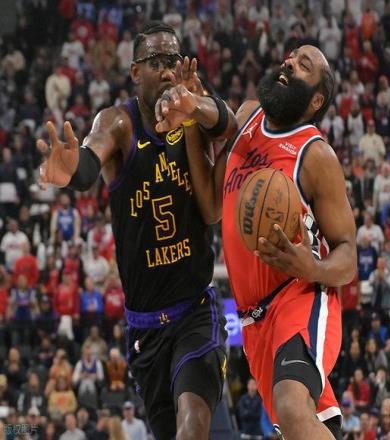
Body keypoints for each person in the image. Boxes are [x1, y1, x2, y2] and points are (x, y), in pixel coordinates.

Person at [36, 22, 231, 439]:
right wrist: (73, 171)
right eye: (155, 62)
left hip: (195, 310)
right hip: (145, 327)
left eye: (172, 61)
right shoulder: (119, 123)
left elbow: (226, 123)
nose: (167, 71)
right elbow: (90, 160)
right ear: (134, 72)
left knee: (193, 423)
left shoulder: (192, 113)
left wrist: (199, 105)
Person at [156, 45, 356, 439]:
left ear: (316, 100)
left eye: (303, 65)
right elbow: (211, 205)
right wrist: (192, 117)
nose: (289, 63)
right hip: (253, 318)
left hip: (300, 295)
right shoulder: (249, 116)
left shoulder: (315, 155)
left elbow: (348, 256)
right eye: (291, 57)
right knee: (308, 425)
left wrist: (312, 267)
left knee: (291, 407)